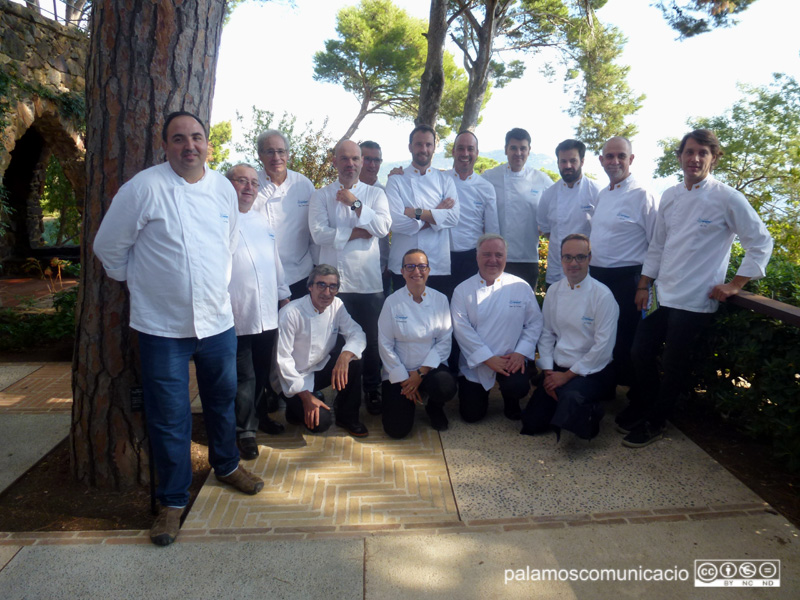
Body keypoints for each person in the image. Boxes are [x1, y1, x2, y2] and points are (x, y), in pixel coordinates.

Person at [94, 111, 263, 547]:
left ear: (208, 143)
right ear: (165, 144)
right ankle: (171, 503)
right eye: (178, 139)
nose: (189, 145)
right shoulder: (143, 189)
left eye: (196, 137)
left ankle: (226, 467)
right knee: (169, 418)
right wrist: (144, 283)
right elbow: (108, 248)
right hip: (161, 327)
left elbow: (226, 243)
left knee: (221, 402)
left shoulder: (223, 189)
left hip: (217, 322)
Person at [620, 129, 773, 448]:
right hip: (661, 293)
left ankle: (657, 421)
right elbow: (658, 244)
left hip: (695, 300)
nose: (695, 158)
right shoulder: (670, 195)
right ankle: (648, 407)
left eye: (703, 152)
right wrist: (645, 284)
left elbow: (760, 242)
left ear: (714, 158)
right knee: (639, 353)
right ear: (680, 157)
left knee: (675, 364)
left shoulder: (728, 198)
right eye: (689, 152)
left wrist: (735, 284)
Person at [309, 140, 391, 417]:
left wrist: (354, 203)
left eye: (356, 158)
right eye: (344, 158)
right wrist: (357, 231)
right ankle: (344, 398)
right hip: (333, 287)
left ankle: (373, 389)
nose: (351, 164)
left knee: (372, 340)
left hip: (368, 282)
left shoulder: (374, 195)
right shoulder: (321, 196)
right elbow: (319, 234)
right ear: (335, 162)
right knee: (339, 345)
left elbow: (381, 227)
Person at [521, 234, 618, 440]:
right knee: (531, 424)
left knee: (570, 397)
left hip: (592, 371)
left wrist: (566, 377)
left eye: (580, 257)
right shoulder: (555, 291)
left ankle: (591, 410)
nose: (574, 263)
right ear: (561, 259)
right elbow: (546, 334)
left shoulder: (603, 296)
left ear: (589, 259)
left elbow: (603, 348)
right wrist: (548, 373)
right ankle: (565, 403)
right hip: (558, 368)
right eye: (568, 257)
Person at [226, 163, 291, 461]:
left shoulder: (261, 221)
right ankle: (245, 431)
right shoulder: (219, 220)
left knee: (264, 371)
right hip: (237, 313)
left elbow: (274, 262)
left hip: (267, 313)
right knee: (245, 376)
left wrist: (284, 296)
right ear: (228, 185)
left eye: (253, 182)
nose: (249, 187)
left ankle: (261, 416)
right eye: (242, 181)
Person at [451, 234, 543, 423]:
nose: (493, 260)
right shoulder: (462, 290)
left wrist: (521, 353)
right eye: (486, 254)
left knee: (518, 388)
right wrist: (487, 358)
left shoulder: (520, 286)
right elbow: (461, 329)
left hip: (511, 359)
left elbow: (534, 322)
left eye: (498, 255)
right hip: (476, 361)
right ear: (477, 256)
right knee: (471, 415)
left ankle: (511, 400)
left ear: (505, 257)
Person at [589, 137, 658, 388]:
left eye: (620, 156)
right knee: (601, 336)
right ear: (601, 160)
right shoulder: (602, 194)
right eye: (609, 156)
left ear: (631, 159)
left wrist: (644, 285)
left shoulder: (643, 194)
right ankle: (604, 388)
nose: (614, 161)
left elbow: (657, 245)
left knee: (627, 340)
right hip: (597, 278)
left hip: (630, 280)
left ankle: (634, 398)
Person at [275, 264, 369, 437]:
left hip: (318, 368)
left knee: (354, 359)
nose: (327, 292)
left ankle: (347, 416)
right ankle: (294, 405)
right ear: (310, 286)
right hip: (291, 378)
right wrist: (305, 398)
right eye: (321, 285)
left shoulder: (337, 306)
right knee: (321, 423)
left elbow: (356, 332)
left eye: (332, 286)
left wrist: (344, 356)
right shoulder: (290, 313)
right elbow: (282, 361)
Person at [378, 248, 457, 438]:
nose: (416, 272)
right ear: (402, 271)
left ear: (429, 270)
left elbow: (444, 341)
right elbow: (385, 344)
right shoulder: (391, 302)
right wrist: (406, 379)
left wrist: (421, 373)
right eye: (410, 266)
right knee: (396, 430)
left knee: (445, 385)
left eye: (422, 266)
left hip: (429, 370)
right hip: (399, 372)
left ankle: (434, 406)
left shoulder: (440, 299)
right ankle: (408, 398)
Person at [385, 125, 459, 295]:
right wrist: (437, 213)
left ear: (434, 147)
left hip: (437, 265)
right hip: (403, 266)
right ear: (410, 146)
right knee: (403, 318)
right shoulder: (396, 180)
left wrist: (415, 213)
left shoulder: (445, 180)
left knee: (437, 318)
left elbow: (453, 218)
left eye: (428, 145)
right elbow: (396, 223)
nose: (423, 149)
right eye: (419, 144)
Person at [482, 128, 553, 290]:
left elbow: (557, 205)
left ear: (529, 151)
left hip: (527, 257)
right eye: (513, 148)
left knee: (525, 309)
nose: (518, 153)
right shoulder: (490, 177)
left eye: (523, 148)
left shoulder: (541, 179)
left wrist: (545, 226)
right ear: (506, 150)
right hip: (496, 258)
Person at [253, 129, 316, 300]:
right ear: (259, 155)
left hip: (300, 274)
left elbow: (313, 229)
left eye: (281, 151)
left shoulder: (303, 184)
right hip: (263, 275)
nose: (276, 157)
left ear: (288, 154)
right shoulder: (252, 184)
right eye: (269, 151)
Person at [538, 139, 601, 286]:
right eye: (563, 161)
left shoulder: (596, 192)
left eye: (573, 161)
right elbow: (547, 230)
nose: (567, 166)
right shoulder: (548, 195)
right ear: (558, 163)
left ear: (582, 161)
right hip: (557, 269)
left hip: (588, 271)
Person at [446, 130, 500, 293]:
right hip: (442, 257)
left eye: (470, 149)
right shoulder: (440, 180)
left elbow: (492, 230)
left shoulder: (486, 187)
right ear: (453, 151)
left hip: (472, 258)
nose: (465, 153)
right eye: (460, 148)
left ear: (476, 153)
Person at [359, 140, 392, 297]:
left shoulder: (387, 193)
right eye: (367, 159)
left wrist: (387, 263)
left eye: (376, 160)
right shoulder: (345, 193)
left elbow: (391, 230)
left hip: (379, 268)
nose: (372, 165)